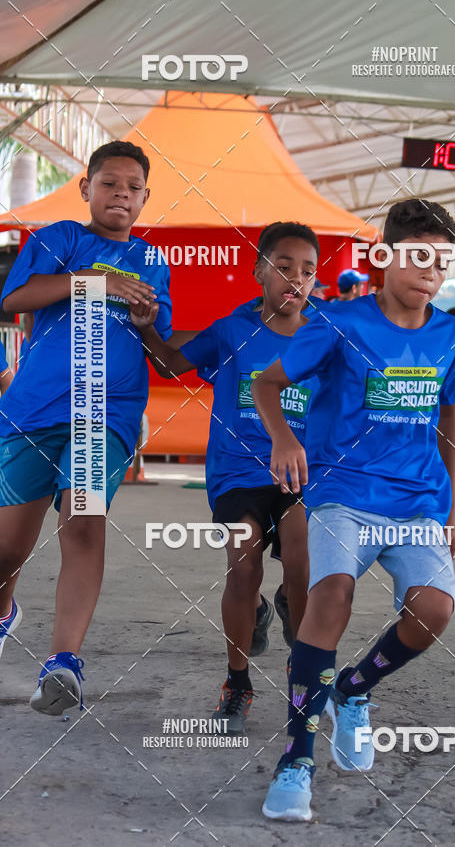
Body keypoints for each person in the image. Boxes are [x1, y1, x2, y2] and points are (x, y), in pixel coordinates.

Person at [254, 199, 455, 822]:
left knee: (434, 611)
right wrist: (285, 438)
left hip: (416, 502)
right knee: (331, 598)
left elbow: (451, 414)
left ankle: (352, 690)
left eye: (442, 261)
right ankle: (296, 760)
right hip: (343, 493)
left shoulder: (453, 337)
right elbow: (265, 384)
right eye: (418, 255)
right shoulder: (338, 324)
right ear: (384, 257)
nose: (431, 270)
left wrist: (451, 504)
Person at [0, 140, 172, 715]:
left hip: (108, 410)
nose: (121, 193)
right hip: (34, 411)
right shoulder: (58, 239)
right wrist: (96, 283)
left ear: (146, 198)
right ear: (86, 188)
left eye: (132, 187)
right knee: (7, 548)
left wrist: (147, 325)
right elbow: (16, 298)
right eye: (109, 183)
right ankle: (5, 610)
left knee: (83, 523)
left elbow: (163, 349)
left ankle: (63, 662)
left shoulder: (153, 262)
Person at [130, 221, 319, 733]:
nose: (294, 279)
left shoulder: (327, 336)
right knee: (243, 570)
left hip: (301, 475)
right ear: (259, 272)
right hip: (238, 475)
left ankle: (300, 680)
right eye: (283, 266)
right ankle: (238, 682)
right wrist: (147, 327)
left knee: (301, 563)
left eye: (307, 270)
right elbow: (170, 364)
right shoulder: (234, 331)